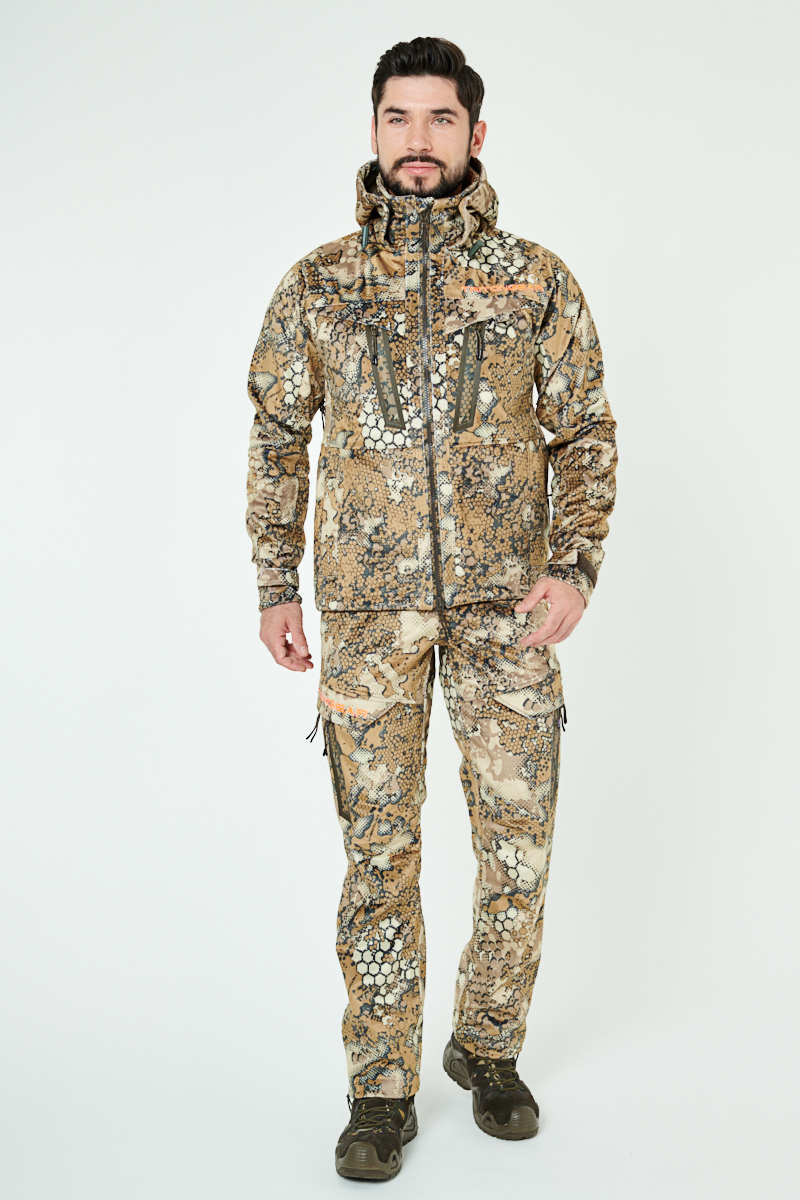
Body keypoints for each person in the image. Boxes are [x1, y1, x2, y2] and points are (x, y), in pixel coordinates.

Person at [246, 36, 617, 1182]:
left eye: (439, 119)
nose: (417, 140)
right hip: (368, 620)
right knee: (378, 854)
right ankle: (379, 1086)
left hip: (508, 615)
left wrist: (572, 566)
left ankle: (486, 1046)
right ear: (372, 130)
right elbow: (277, 437)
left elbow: (584, 430)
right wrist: (274, 583)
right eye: (397, 118)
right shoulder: (318, 285)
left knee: (517, 845)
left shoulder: (532, 278)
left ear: (474, 134)